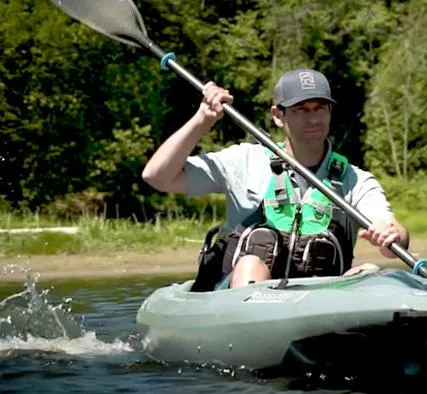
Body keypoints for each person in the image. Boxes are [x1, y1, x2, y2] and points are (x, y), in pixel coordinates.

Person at [142, 68, 409, 290]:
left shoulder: (354, 179)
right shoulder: (244, 161)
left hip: (318, 299)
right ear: (277, 116)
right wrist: (202, 121)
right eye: (301, 109)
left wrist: (392, 234)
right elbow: (158, 177)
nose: (314, 118)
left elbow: (392, 233)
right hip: (238, 296)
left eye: (320, 108)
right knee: (251, 265)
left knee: (371, 270)